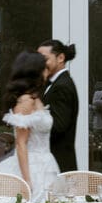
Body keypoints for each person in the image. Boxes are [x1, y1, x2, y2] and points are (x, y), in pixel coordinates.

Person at [0, 51, 60, 202]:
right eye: (44, 68)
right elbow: (21, 143)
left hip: (46, 163)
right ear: (35, 71)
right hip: (31, 166)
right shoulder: (26, 101)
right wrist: (27, 180)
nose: (47, 71)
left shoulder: (36, 98)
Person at [37, 39, 79, 172]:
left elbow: (58, 126)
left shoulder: (63, 86)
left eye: (45, 59)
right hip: (48, 162)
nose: (40, 64)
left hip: (58, 162)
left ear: (60, 58)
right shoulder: (51, 84)